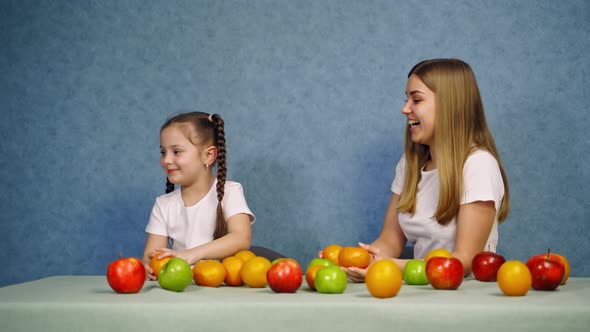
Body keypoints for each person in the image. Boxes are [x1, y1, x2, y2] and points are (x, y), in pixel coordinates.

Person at [344, 58, 510, 282]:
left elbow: (464, 261)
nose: (405, 109)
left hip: (465, 296)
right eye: (406, 99)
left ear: (450, 105)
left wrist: (392, 267)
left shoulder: (478, 164)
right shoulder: (410, 164)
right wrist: (357, 260)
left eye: (417, 100)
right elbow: (390, 241)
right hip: (421, 291)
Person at [142, 112, 255, 280]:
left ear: (208, 155)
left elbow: (241, 238)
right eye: (163, 152)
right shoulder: (163, 204)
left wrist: (191, 255)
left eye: (176, 151)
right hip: (182, 288)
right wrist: (147, 267)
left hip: (223, 290)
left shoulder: (230, 192)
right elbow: (151, 256)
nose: (166, 160)